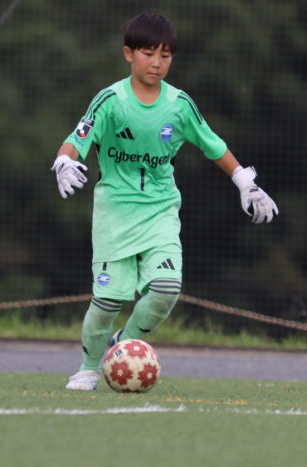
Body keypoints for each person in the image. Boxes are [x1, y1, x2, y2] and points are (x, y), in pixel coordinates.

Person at [52, 13, 278, 390]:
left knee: (166, 289)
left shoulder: (179, 105)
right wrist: (63, 161)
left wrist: (245, 182)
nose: (157, 62)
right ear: (129, 54)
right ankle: (88, 369)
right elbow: (77, 138)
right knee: (107, 300)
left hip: (160, 211)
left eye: (166, 55)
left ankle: (122, 347)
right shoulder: (110, 101)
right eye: (148, 53)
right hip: (115, 214)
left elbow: (213, 144)